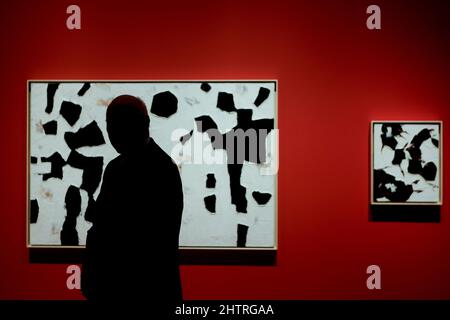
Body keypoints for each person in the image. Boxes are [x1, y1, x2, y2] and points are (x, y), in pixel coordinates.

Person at [81, 95, 183, 315]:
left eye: (117, 124)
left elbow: (147, 239)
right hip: (115, 291)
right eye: (110, 125)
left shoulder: (161, 169)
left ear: (142, 125)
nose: (111, 133)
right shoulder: (116, 167)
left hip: (144, 294)